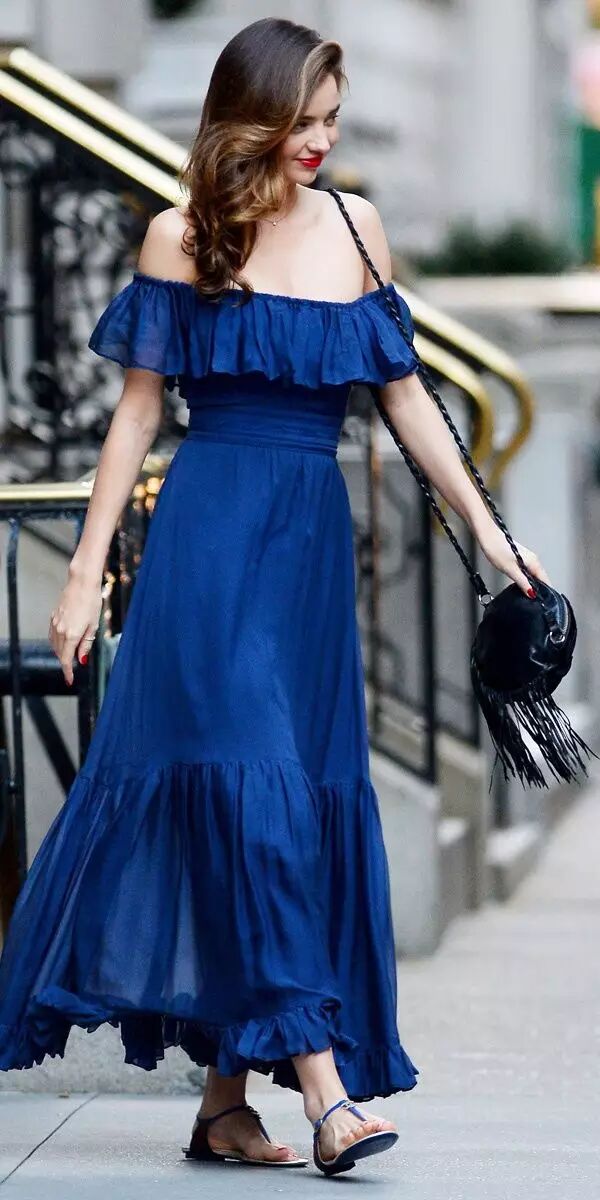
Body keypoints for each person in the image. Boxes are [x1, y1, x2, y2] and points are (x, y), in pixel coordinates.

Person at [0, 16, 548, 1179]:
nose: (322, 140)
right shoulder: (179, 235)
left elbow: (406, 399)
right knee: (255, 798)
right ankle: (328, 1094)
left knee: (280, 799)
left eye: (333, 120)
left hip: (305, 554)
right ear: (248, 116)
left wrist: (495, 540)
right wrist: (87, 572)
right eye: (303, 119)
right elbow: (136, 412)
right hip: (205, 542)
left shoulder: (357, 227)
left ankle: (222, 1108)